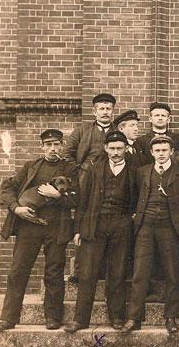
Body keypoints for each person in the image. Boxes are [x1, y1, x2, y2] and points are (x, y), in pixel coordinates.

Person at [0, 129, 78, 333]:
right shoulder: (31, 167)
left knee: (54, 272)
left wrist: (57, 196)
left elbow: (79, 198)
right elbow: (7, 188)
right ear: (42, 147)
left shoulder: (70, 169)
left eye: (57, 144)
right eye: (48, 145)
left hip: (56, 227)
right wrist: (16, 208)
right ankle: (8, 318)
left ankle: (53, 317)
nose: (53, 149)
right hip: (28, 226)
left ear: (62, 145)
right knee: (18, 271)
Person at [64, 131, 138, 333]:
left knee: (118, 272)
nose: (115, 152)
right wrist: (78, 229)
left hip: (121, 224)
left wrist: (131, 219)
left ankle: (117, 318)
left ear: (125, 149)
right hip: (95, 224)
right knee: (87, 273)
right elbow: (83, 200)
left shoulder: (134, 170)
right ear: (105, 148)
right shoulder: (94, 170)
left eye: (119, 148)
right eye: (112, 148)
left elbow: (139, 197)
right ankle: (80, 320)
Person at [121, 135, 179, 334]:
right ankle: (134, 318)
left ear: (171, 151)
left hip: (170, 227)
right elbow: (133, 197)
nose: (160, 154)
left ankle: (171, 317)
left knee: (172, 273)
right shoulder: (142, 172)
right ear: (151, 152)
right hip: (146, 227)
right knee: (140, 272)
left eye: (164, 150)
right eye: (157, 151)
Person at [63, 93, 117, 283]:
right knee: (84, 222)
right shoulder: (82, 131)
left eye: (108, 108)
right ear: (94, 111)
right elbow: (67, 156)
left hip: (111, 184)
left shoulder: (118, 132)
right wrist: (80, 174)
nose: (105, 112)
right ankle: (79, 269)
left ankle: (104, 269)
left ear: (113, 111)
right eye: (101, 109)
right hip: (86, 183)